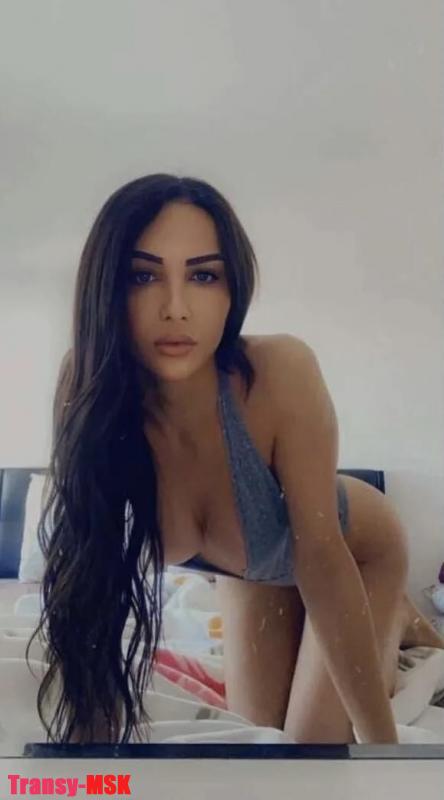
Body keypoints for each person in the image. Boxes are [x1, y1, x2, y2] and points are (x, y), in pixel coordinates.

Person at [28, 174, 444, 746]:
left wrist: (382, 749)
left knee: (309, 752)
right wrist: (88, 764)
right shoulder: (88, 391)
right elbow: (91, 583)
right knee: (258, 741)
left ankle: (392, 615)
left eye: (203, 275)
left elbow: (321, 557)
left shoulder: (279, 373)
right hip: (249, 572)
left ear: (233, 290)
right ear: (107, 288)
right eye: (143, 276)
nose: (176, 308)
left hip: (349, 551)